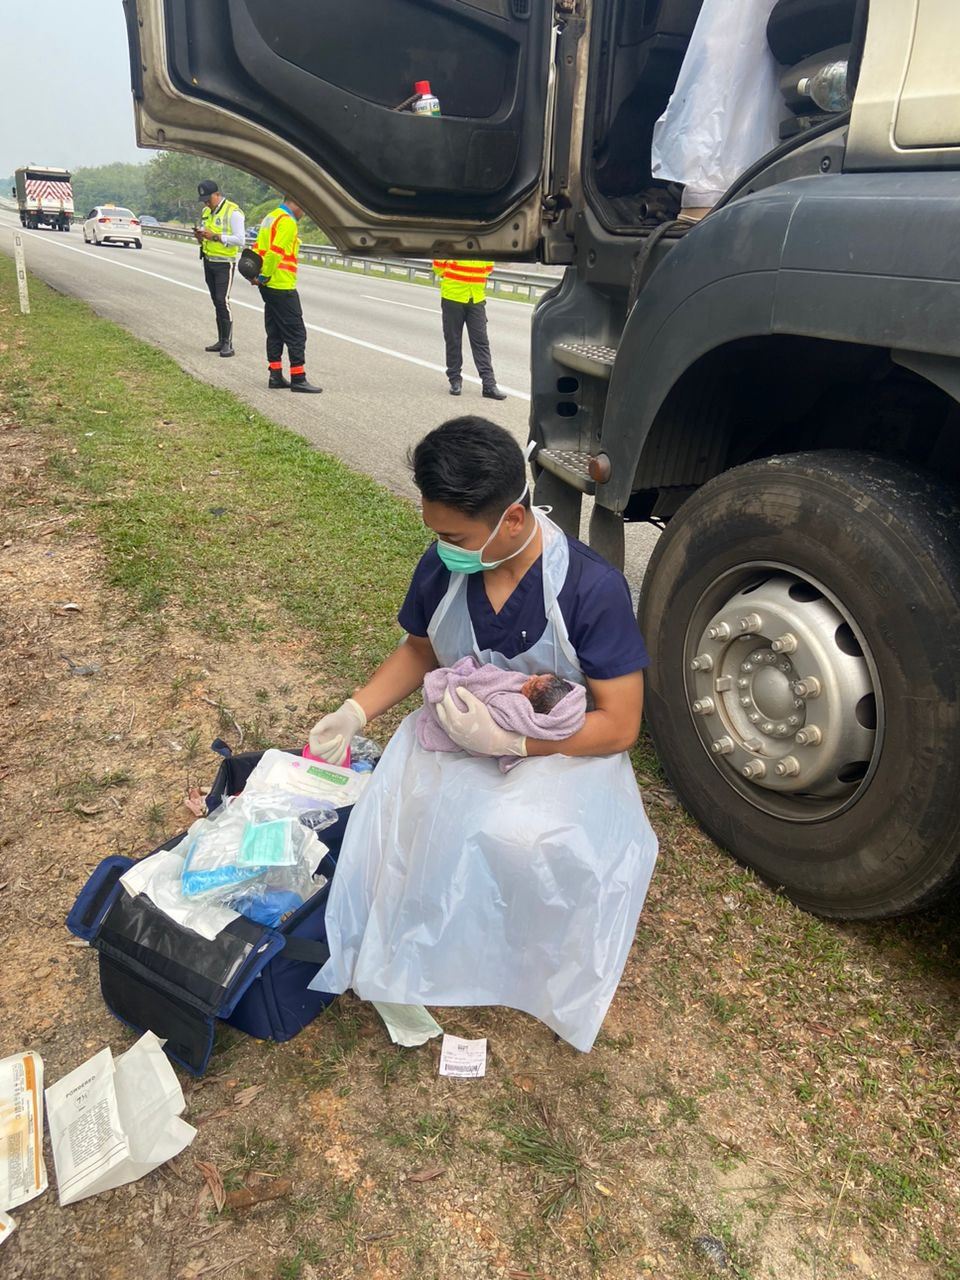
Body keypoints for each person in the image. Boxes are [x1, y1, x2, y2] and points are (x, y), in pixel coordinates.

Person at [306, 417, 658, 1051]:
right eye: (435, 533)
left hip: (561, 748)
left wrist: (520, 744)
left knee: (523, 839)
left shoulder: (589, 588)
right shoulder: (448, 566)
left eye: (454, 536)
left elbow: (620, 724)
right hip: (461, 731)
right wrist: (355, 712)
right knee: (399, 822)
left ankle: (517, 952)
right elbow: (420, 651)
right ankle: (435, 936)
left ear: (513, 521)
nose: (443, 548)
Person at [250, 198, 322, 393]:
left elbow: (257, 248)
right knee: (296, 333)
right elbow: (275, 252)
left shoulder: (270, 217)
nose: (304, 213)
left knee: (274, 330)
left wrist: (255, 275)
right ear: (296, 202)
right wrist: (264, 276)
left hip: (268, 286)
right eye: (304, 208)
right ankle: (298, 378)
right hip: (281, 284)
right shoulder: (287, 221)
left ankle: (275, 375)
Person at [432, 259, 507, 400]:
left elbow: (488, 268)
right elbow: (438, 267)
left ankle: (489, 385)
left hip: (476, 298)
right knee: (453, 341)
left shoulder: (484, 247)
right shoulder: (451, 243)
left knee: (481, 342)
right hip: (453, 296)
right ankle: (455, 380)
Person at [194, 179, 245, 357]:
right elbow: (206, 234)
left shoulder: (234, 212)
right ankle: (220, 339)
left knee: (222, 300)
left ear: (217, 194)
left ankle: (228, 343)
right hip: (209, 260)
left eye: (209, 199)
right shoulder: (206, 211)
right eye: (204, 200)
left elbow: (240, 240)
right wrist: (200, 237)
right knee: (216, 301)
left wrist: (216, 236)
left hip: (225, 263)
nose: (207, 203)